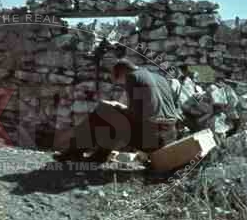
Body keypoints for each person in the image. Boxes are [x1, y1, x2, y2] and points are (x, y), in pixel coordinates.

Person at [53, 58, 183, 162]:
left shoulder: (133, 77)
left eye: (116, 79)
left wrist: (117, 106)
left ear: (119, 72)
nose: (119, 83)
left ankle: (73, 153)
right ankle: (99, 157)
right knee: (114, 117)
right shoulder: (160, 78)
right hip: (169, 138)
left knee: (104, 110)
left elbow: (136, 116)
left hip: (151, 140)